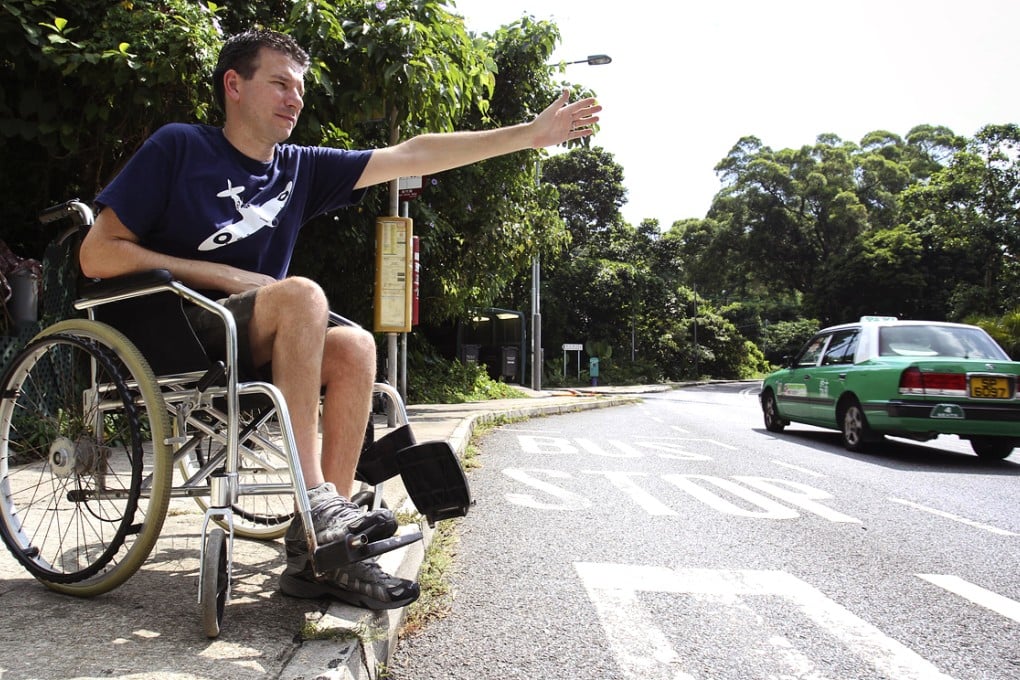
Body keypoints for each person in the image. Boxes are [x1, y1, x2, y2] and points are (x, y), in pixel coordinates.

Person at [78, 28, 601, 610]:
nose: (294, 99)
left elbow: (413, 154)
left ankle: (321, 549)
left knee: (353, 345)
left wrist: (529, 135)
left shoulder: (298, 169)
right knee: (301, 295)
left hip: (246, 336)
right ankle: (319, 500)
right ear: (234, 85)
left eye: (299, 89)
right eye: (279, 83)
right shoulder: (180, 147)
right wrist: (221, 275)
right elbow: (97, 253)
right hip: (173, 332)